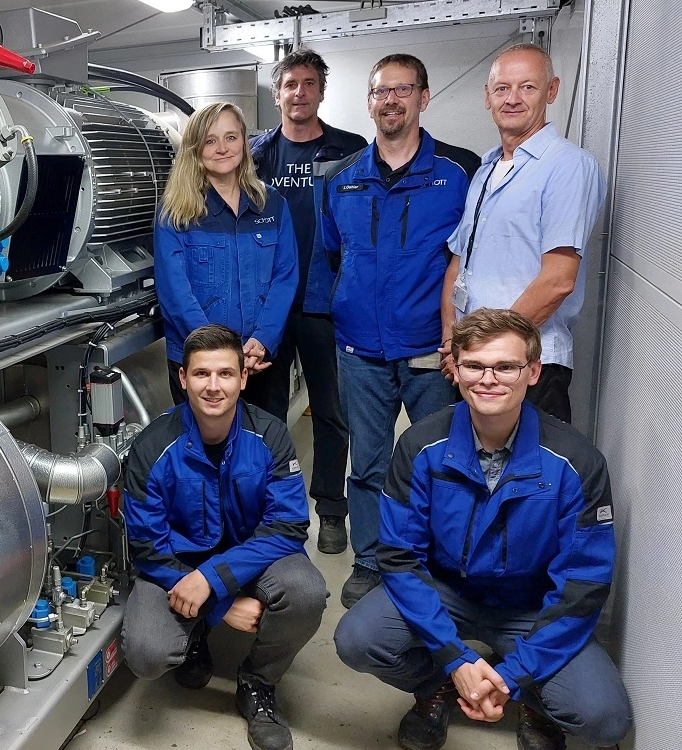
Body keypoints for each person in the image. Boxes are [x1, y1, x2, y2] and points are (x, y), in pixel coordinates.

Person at [334, 308, 632, 750]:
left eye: (505, 366)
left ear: (533, 372)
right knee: (357, 639)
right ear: (453, 369)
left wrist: (513, 677)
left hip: (533, 608)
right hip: (448, 593)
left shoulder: (576, 462)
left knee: (603, 718)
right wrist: (455, 661)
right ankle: (437, 687)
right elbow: (398, 556)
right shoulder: (420, 447)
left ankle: (532, 698)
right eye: (474, 365)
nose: (488, 378)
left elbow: (582, 584)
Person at [320, 54, 481, 607]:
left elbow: (467, 259)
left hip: (429, 352)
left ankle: (433, 562)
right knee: (366, 461)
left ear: (423, 96)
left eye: (401, 90)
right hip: (360, 350)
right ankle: (368, 561)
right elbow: (333, 253)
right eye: (379, 92)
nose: (390, 101)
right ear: (369, 102)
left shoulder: (458, 173)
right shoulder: (342, 181)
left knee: (440, 463)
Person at [122, 324, 327, 750]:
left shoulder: (269, 435)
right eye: (201, 374)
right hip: (176, 568)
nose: (213, 387)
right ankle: (193, 636)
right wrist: (220, 605)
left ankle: (257, 682)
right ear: (182, 379)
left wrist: (212, 581)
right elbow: (147, 548)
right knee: (146, 652)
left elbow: (288, 526)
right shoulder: (152, 447)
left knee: (306, 592)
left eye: (225, 374)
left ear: (243, 378)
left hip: (254, 557)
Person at [439, 44, 605, 425]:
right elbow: (458, 265)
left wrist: (483, 349)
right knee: (477, 477)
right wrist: (452, 341)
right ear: (487, 96)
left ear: (552, 91)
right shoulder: (485, 169)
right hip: (476, 365)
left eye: (528, 87)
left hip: (529, 366)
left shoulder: (569, 167)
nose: (512, 99)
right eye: (502, 89)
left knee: (528, 479)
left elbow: (558, 282)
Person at [251, 48, 368, 557]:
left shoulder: (351, 149)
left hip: (326, 302)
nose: (299, 92)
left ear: (321, 90)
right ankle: (276, 507)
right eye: (290, 84)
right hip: (270, 306)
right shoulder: (256, 155)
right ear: (277, 94)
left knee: (330, 412)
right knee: (269, 410)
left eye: (308, 83)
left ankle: (331, 511)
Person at [155, 101, 300, 418]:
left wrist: (262, 340)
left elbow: (285, 276)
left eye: (231, 137)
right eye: (210, 140)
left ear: (244, 143)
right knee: (202, 456)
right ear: (195, 148)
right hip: (200, 364)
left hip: (259, 359)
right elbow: (175, 291)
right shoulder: (176, 210)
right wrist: (222, 355)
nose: (222, 148)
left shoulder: (271, 203)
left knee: (263, 450)